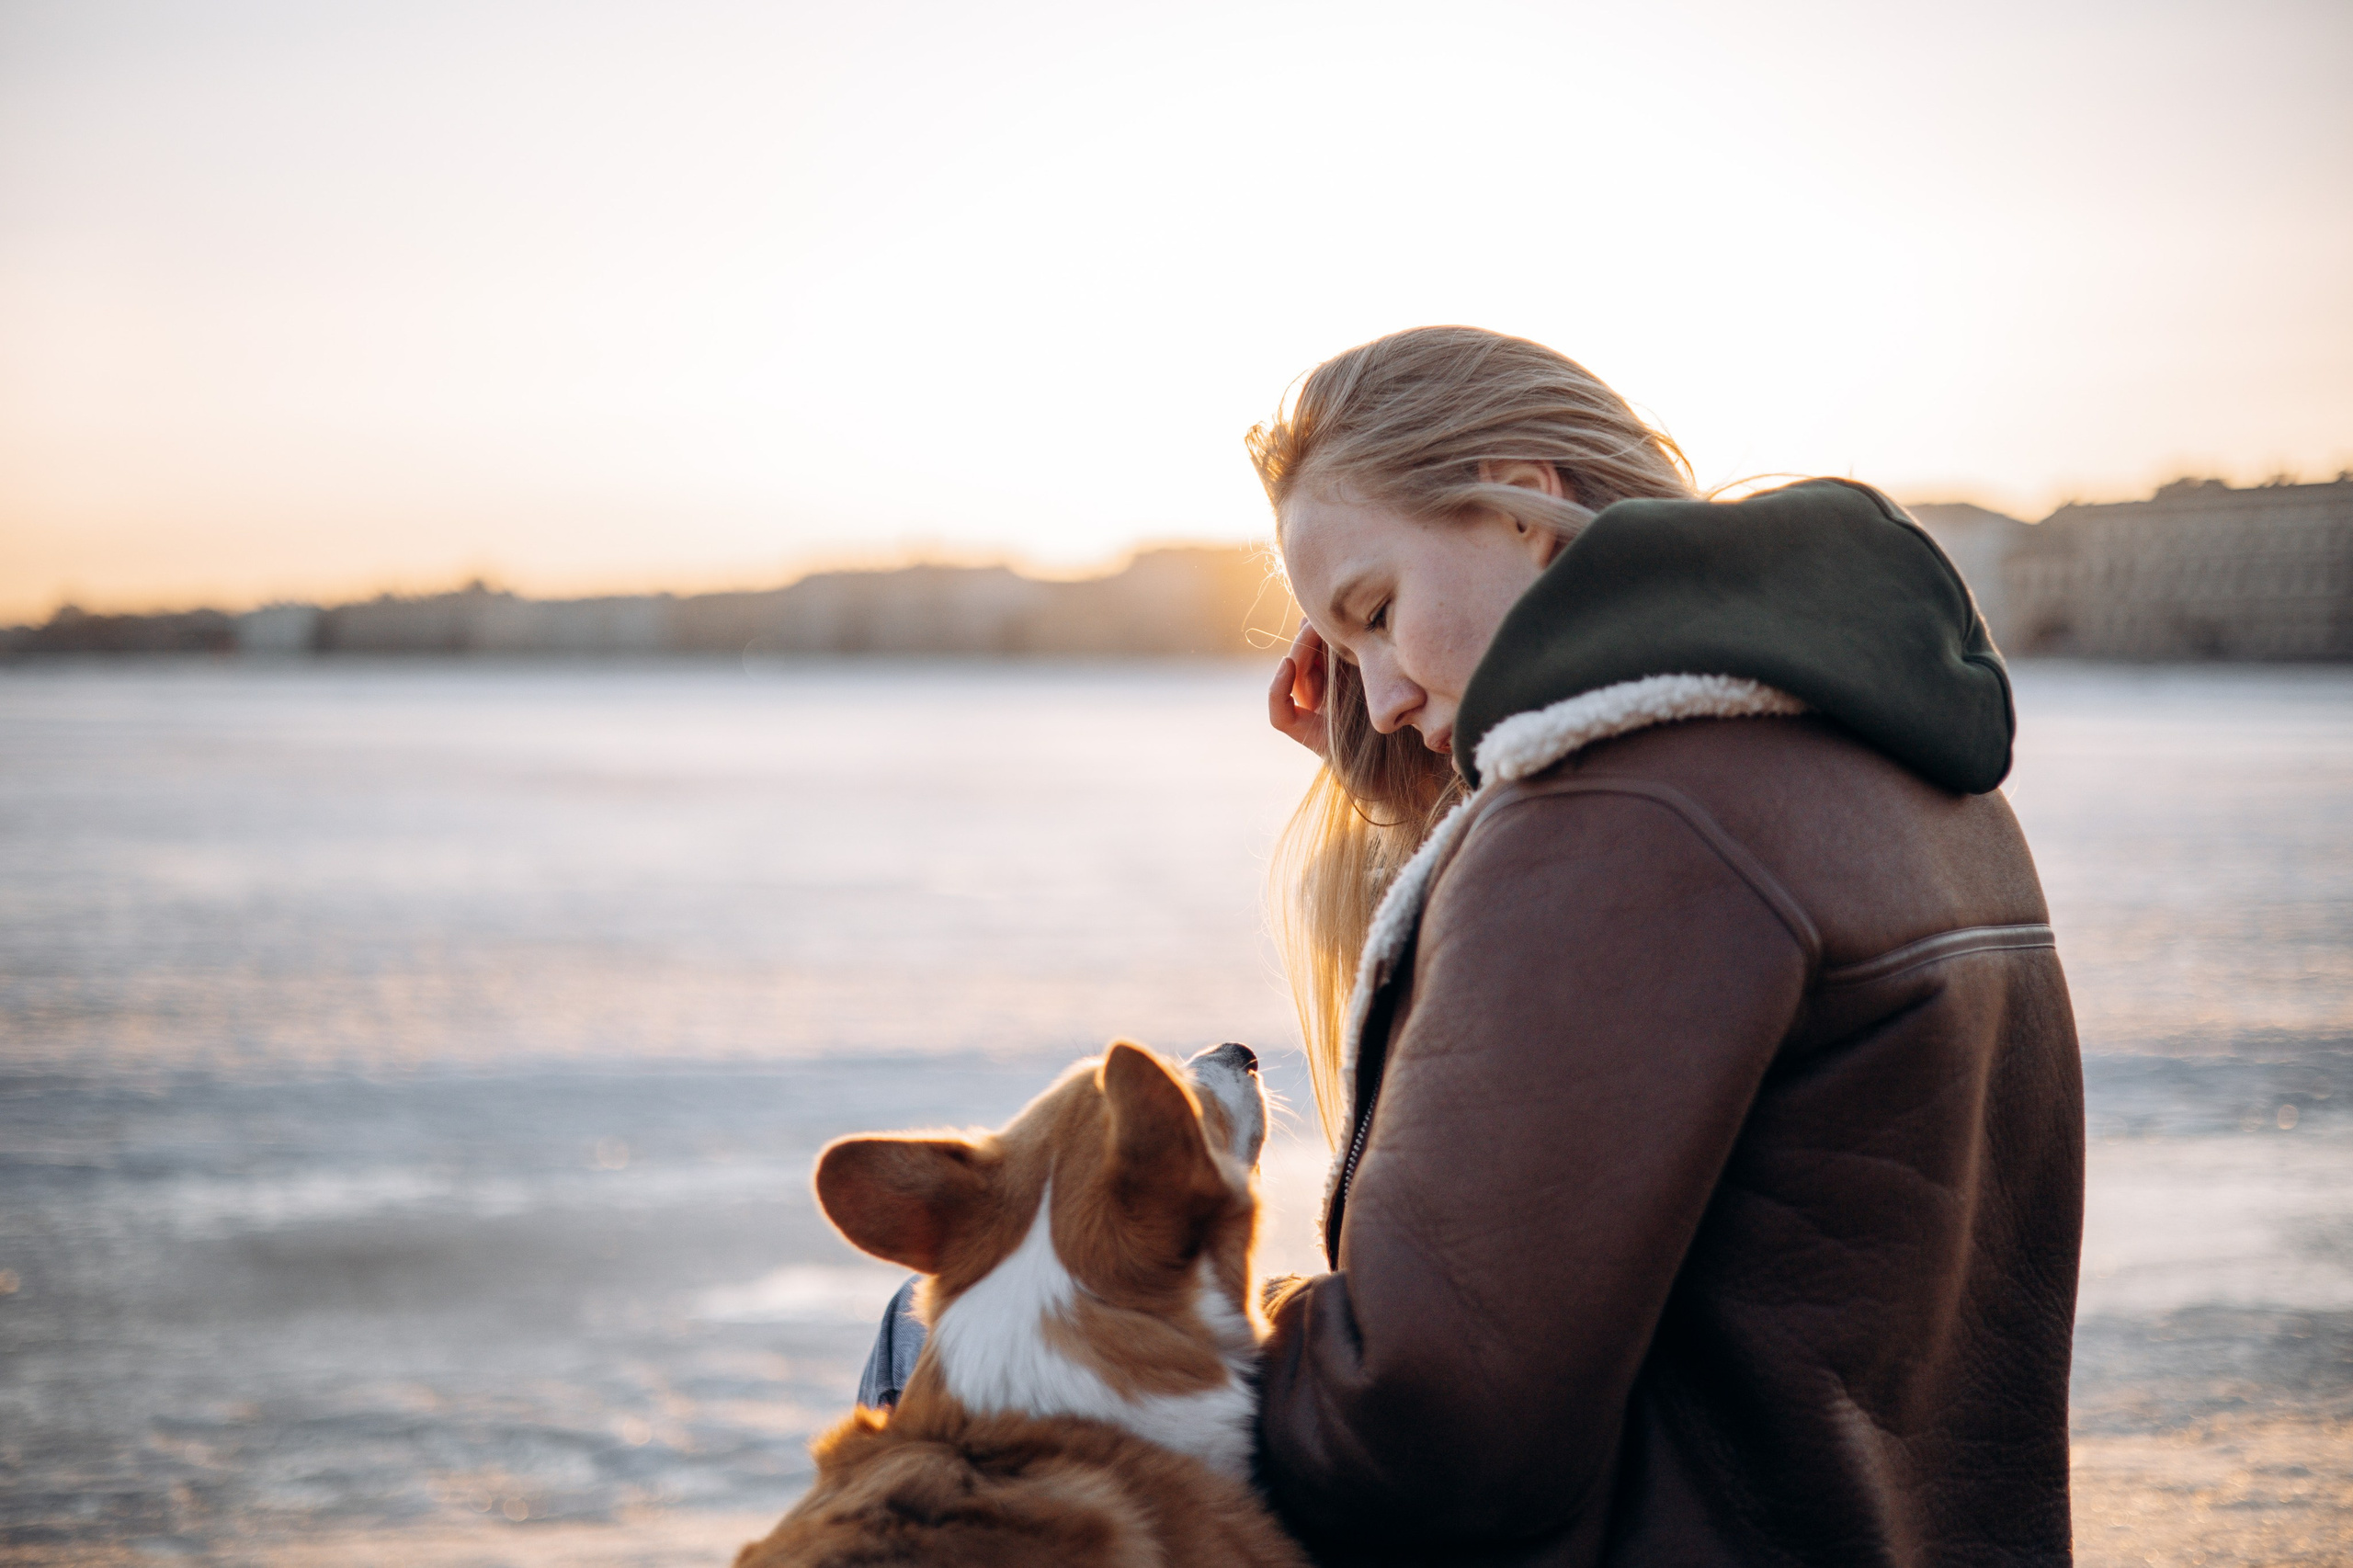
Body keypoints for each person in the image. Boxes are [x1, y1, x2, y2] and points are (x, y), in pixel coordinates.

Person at [1247, 325, 2081, 1564]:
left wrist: (1175, 1357)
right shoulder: (1903, 761)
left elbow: (1434, 1427)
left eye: (1377, 610)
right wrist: (1456, 822)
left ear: (1526, 504)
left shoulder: (1613, 822)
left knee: (926, 1346)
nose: (1378, 698)